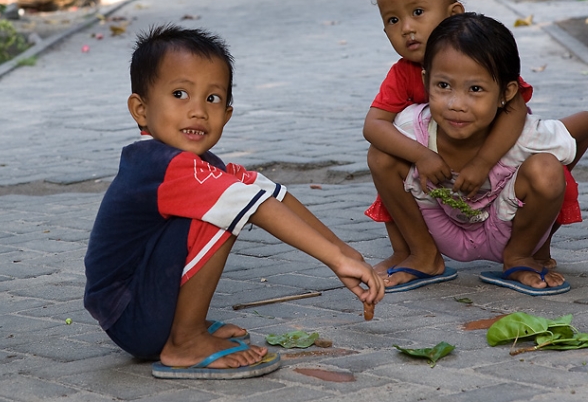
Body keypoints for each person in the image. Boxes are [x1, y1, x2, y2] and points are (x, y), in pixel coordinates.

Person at [83, 24, 384, 379]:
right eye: (180, 94)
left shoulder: (199, 165)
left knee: (234, 194)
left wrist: (344, 251)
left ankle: (182, 327)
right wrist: (334, 259)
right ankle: (186, 341)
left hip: (142, 311)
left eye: (212, 99)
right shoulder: (160, 164)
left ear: (227, 112)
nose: (198, 111)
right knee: (222, 211)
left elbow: (268, 192)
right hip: (131, 315)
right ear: (141, 109)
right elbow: (255, 206)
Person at [363, 0, 588, 291]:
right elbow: (374, 126)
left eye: (417, 12)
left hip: (497, 178)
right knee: (380, 155)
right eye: (392, 20)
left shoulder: (482, 52)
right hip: (437, 187)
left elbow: (517, 109)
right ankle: (418, 253)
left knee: (548, 172)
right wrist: (422, 156)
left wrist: (489, 163)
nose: (407, 28)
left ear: (453, 14)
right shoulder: (402, 74)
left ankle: (531, 245)